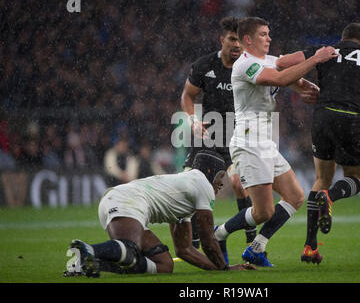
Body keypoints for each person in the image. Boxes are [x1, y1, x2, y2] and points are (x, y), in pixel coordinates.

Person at [213, 16, 337, 267]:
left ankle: (256, 247)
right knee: (263, 213)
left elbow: (286, 69)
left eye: (269, 33)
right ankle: (218, 234)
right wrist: (315, 59)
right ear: (248, 39)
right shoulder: (244, 64)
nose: (269, 38)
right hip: (248, 142)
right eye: (263, 34)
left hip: (266, 142)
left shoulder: (269, 60)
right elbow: (279, 79)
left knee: (295, 196)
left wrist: (305, 87)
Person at [65, 150, 256, 277]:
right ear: (209, 171)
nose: (222, 183)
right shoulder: (202, 184)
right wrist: (224, 268)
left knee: (164, 264)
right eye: (221, 176)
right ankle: (87, 250)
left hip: (123, 201)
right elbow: (208, 240)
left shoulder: (188, 190)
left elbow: (184, 250)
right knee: (129, 249)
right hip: (126, 200)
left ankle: (93, 264)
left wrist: (218, 268)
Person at [298, 23, 360, 264]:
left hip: (323, 116)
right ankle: (331, 196)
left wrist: (307, 88)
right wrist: (353, 97)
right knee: (359, 177)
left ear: (343, 39)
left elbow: (283, 62)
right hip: (352, 119)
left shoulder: (326, 51)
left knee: (320, 178)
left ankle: (309, 247)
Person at [180, 17, 256, 248]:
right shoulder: (204, 65)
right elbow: (187, 95)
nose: (236, 45)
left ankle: (252, 240)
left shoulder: (249, 67)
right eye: (232, 39)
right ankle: (193, 242)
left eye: (240, 41)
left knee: (238, 184)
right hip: (209, 134)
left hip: (237, 137)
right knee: (194, 184)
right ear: (221, 39)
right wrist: (193, 120)